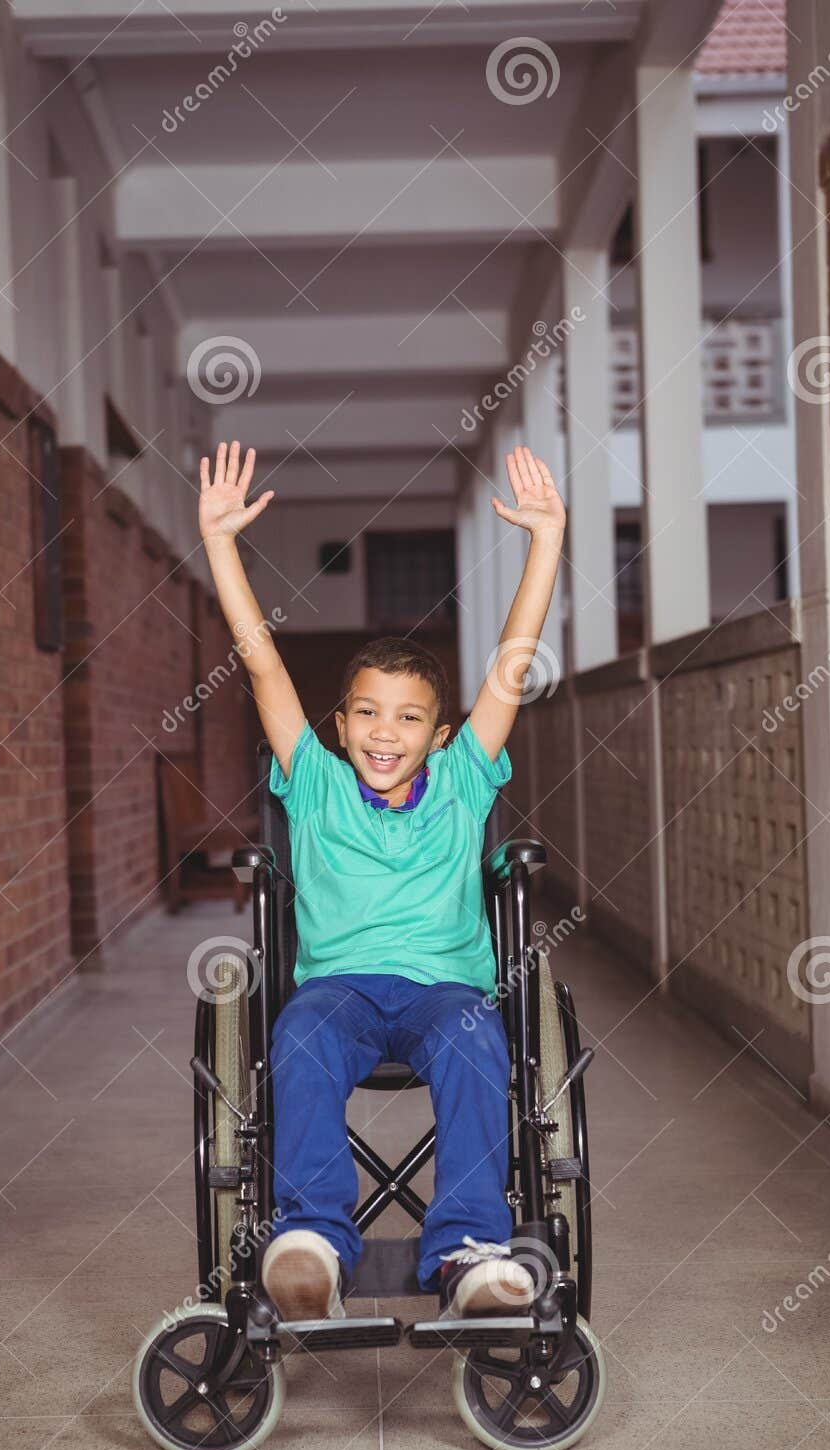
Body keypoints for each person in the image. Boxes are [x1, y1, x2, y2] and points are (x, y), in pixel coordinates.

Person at [198, 439, 565, 1320]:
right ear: (340, 722)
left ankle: (468, 1249)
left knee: (478, 1039)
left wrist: (545, 540)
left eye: (407, 717)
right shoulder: (317, 783)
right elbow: (261, 664)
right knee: (298, 1031)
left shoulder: (467, 777)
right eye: (365, 712)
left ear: (440, 735)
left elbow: (512, 663)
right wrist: (220, 543)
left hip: (446, 994)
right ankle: (314, 1238)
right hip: (343, 992)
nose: (383, 732)